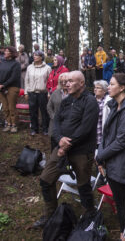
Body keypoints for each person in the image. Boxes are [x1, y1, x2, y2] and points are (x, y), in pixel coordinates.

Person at [33, 71, 99, 229]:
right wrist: (59, 139)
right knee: (45, 179)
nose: (66, 84)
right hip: (61, 148)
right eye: (65, 81)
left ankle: (88, 217)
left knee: (83, 186)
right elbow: (56, 122)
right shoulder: (66, 100)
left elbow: (85, 128)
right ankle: (50, 216)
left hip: (82, 151)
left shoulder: (90, 102)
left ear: (81, 83)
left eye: (70, 81)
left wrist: (67, 144)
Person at [96, 73, 125, 241]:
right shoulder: (114, 106)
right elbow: (106, 135)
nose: (108, 87)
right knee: (117, 199)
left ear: (122, 88)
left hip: (123, 163)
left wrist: (101, 156)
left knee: (123, 202)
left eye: (112, 84)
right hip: (111, 160)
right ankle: (124, 231)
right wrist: (101, 158)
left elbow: (121, 142)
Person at [24, 50, 52, 136]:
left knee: (44, 112)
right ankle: (34, 129)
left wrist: (49, 92)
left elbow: (49, 81)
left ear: (41, 57)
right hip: (32, 92)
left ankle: (45, 129)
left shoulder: (47, 68)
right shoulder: (29, 67)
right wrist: (26, 92)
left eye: (36, 55)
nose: (34, 57)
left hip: (42, 93)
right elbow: (26, 80)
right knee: (33, 111)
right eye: (34, 55)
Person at [0, 46, 21, 133]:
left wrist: (4, 84)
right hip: (1, 87)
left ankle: (14, 125)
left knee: (11, 107)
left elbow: (14, 77)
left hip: (12, 87)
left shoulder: (16, 64)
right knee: (5, 107)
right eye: (5, 51)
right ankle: (8, 123)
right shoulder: (2, 62)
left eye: (7, 51)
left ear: (12, 53)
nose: (5, 52)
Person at [47, 73, 69, 150]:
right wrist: (54, 117)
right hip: (55, 124)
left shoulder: (73, 94)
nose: (63, 83)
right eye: (61, 81)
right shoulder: (55, 92)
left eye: (65, 81)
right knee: (54, 146)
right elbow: (49, 107)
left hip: (68, 124)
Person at [94, 80, 112, 148]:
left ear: (104, 90)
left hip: (104, 136)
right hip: (93, 137)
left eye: (98, 88)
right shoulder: (91, 101)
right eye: (95, 87)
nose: (95, 89)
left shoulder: (109, 101)